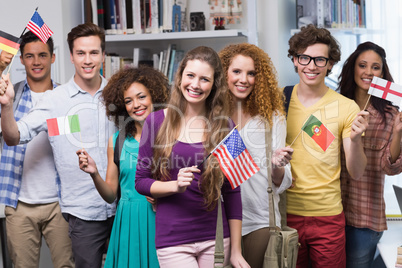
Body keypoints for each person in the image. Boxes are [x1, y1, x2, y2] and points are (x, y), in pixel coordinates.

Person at [0, 22, 116, 268]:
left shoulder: (118, 93)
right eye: (80, 53)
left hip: (121, 206)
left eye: (94, 52)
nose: (87, 59)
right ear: (71, 56)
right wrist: (7, 106)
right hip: (78, 212)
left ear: (103, 56)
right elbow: (14, 136)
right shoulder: (55, 101)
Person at [135, 46, 249, 268]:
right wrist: (174, 187)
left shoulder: (227, 126)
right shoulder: (155, 122)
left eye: (204, 79)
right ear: (180, 78)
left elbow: (233, 190)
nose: (195, 85)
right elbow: (140, 181)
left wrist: (236, 251)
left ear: (214, 85)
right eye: (190, 75)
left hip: (216, 238)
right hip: (172, 240)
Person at [285, 24, 369, 268]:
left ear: (330, 64)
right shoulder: (279, 100)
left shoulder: (347, 107)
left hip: (328, 216)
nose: (312, 66)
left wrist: (354, 140)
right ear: (294, 60)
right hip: (285, 215)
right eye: (305, 58)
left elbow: (356, 171)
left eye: (320, 60)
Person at [77, 66, 169, 267]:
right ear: (121, 106)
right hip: (128, 222)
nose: (136, 105)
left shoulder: (171, 138)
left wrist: (164, 193)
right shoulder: (117, 142)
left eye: (141, 97)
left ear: (154, 97)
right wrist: (94, 174)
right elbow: (110, 194)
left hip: (162, 219)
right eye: (128, 101)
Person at [0, 31, 74, 268]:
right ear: (21, 59)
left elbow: (73, 136)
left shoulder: (67, 98)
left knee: (67, 265)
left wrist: (38, 125)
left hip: (61, 203)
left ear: (53, 58)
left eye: (43, 55)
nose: (37, 62)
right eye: (29, 56)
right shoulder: (8, 96)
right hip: (19, 203)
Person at [218, 43, 293, 268]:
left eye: (251, 73)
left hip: (259, 219)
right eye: (237, 71)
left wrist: (278, 164)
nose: (244, 79)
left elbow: (281, 181)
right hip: (217, 219)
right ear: (224, 74)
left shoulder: (272, 118)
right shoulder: (211, 116)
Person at [337, 41, 402, 268]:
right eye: (362, 65)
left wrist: (397, 133)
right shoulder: (334, 106)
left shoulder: (390, 115)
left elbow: (391, 168)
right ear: (352, 67)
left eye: (376, 67)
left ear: (382, 73)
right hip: (329, 214)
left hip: (364, 220)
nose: (368, 72)